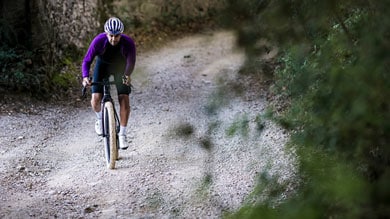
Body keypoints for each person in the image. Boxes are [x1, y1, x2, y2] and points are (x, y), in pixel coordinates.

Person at [81, 17, 136, 150]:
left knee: (124, 98)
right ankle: (100, 119)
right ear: (106, 34)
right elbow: (87, 61)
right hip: (102, 66)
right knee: (95, 98)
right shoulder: (99, 41)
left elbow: (131, 61)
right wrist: (85, 77)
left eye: (116, 36)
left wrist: (126, 76)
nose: (113, 39)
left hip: (120, 68)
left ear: (120, 34)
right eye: (111, 35)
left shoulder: (128, 42)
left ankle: (122, 134)